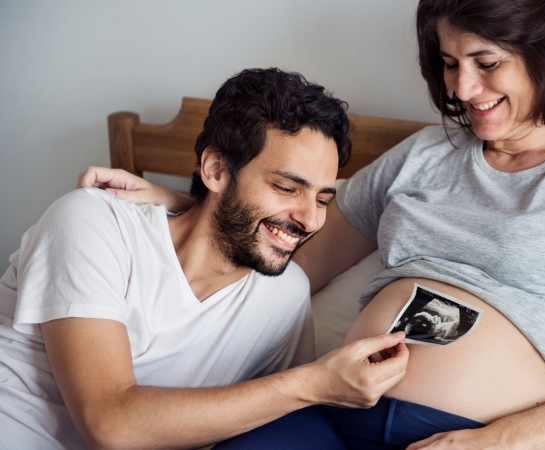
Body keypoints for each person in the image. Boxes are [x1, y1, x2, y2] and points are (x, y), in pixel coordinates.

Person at [78, 0, 545, 449]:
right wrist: (182, 203)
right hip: (327, 411)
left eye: (486, 63)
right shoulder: (425, 155)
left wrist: (495, 445)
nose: (463, 87)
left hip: (480, 437)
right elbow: (295, 249)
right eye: (450, 63)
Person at [0, 67, 409, 449]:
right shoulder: (92, 221)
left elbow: (262, 417)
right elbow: (109, 424)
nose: (310, 219)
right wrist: (315, 383)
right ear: (215, 170)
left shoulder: (284, 296)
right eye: (286, 188)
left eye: (322, 198)